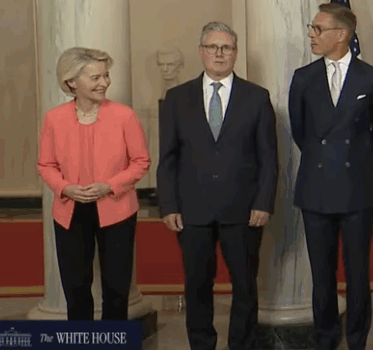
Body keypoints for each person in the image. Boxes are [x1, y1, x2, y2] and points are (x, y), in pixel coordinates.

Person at [157, 22, 278, 350]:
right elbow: (167, 158)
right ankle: (201, 344)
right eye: (213, 47)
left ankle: (242, 344)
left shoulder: (256, 97)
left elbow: (269, 157)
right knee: (197, 285)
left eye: (226, 47)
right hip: (191, 211)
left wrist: (264, 202)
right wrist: (168, 205)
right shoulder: (177, 98)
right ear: (201, 52)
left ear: (235, 53)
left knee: (245, 286)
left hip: (244, 211)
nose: (219, 53)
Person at [289, 3, 373, 350]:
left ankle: (358, 339)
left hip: (356, 189)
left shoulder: (372, 78)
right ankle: (325, 338)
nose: (311, 35)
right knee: (322, 275)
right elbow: (300, 132)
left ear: (342, 35)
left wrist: (358, 162)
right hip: (315, 189)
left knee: (358, 273)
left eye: (318, 29)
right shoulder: (303, 78)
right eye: (312, 28)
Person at [36, 47, 151, 320]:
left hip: (117, 208)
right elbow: (46, 164)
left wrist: (109, 185)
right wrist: (64, 187)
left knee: (116, 287)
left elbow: (141, 161)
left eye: (106, 76)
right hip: (69, 211)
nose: (104, 83)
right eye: (95, 78)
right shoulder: (54, 118)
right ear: (71, 82)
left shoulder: (124, 116)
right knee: (76, 286)